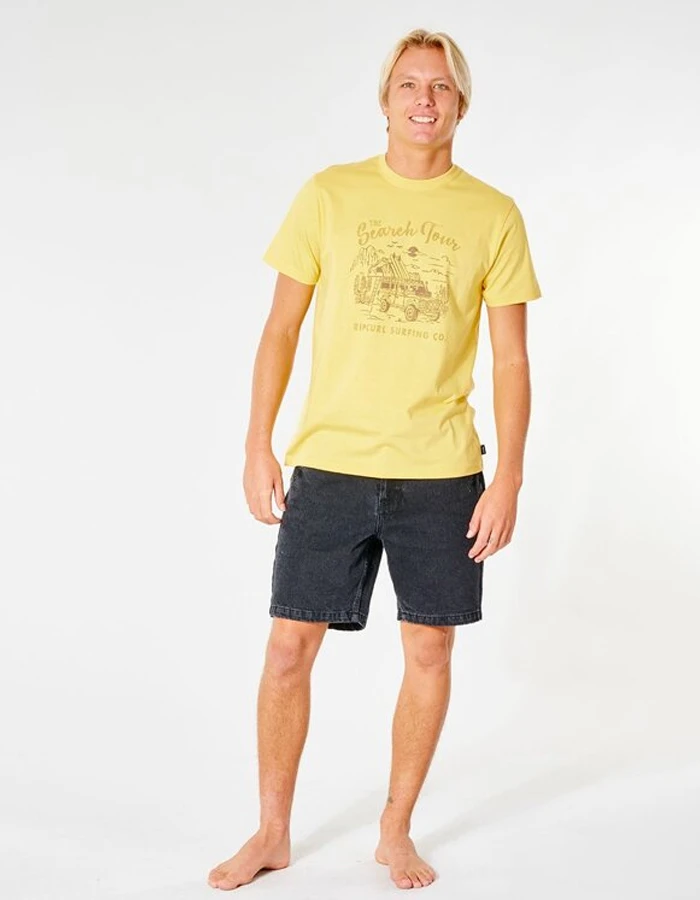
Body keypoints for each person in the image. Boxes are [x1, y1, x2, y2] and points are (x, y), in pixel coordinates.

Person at [208, 27, 541, 892]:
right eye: (408, 85)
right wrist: (256, 442)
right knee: (288, 647)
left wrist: (508, 476)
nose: (424, 99)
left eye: (440, 86)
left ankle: (395, 830)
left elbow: (511, 359)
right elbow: (280, 329)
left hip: (442, 475)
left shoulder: (494, 214)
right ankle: (272, 832)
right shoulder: (329, 194)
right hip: (330, 465)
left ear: (461, 104)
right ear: (385, 101)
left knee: (428, 651)